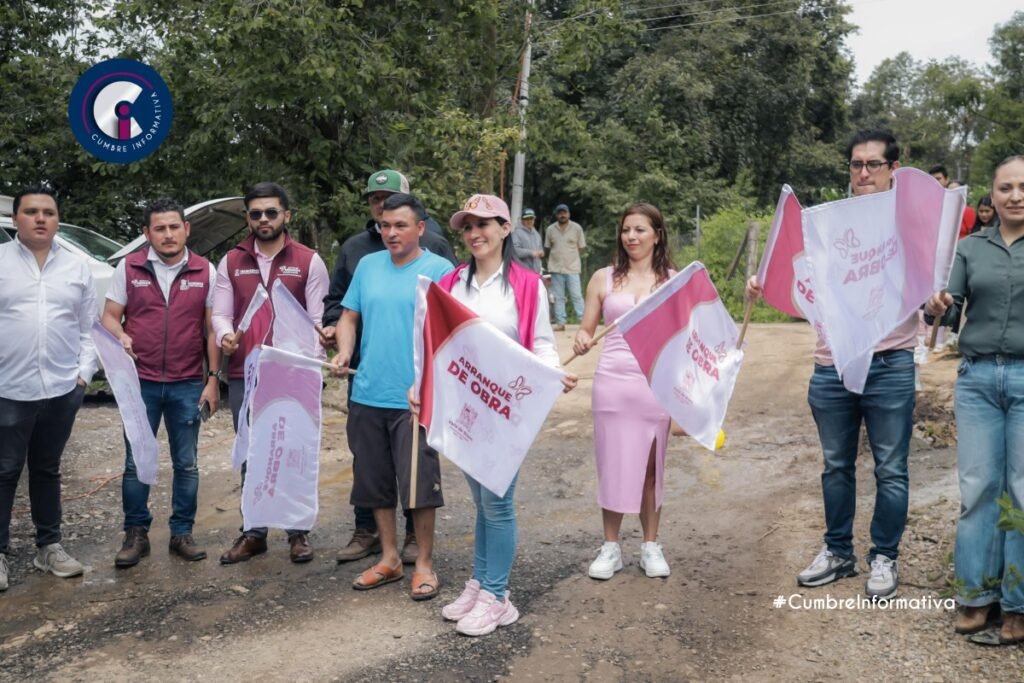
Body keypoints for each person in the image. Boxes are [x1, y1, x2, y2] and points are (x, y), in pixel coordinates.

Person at [747, 130, 917, 599]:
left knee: (891, 468)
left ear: (892, 170)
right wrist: (765, 285)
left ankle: (884, 556)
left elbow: (931, 279)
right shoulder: (827, 225)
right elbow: (798, 273)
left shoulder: (910, 224)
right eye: (856, 164)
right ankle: (838, 552)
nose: (864, 172)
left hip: (891, 363)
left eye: (873, 164)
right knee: (836, 464)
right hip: (832, 365)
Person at [410, 194, 576, 635]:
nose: (474, 233)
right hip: (465, 409)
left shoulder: (526, 284)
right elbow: (429, 341)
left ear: (506, 228)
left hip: (506, 409)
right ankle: (481, 583)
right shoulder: (450, 284)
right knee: (482, 504)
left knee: (498, 503)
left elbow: (541, 342)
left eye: (484, 224)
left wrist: (552, 372)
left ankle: (499, 597)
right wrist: (419, 382)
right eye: (467, 226)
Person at [321, 169, 456, 566]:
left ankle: (425, 563)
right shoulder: (367, 266)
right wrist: (344, 353)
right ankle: (390, 557)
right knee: (375, 482)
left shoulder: (440, 272)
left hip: (414, 395)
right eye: (384, 225)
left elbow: (452, 333)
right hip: (367, 390)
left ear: (420, 227)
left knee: (419, 483)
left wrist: (434, 384)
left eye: (400, 225)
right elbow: (348, 315)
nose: (391, 232)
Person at [924, 155, 1024, 643]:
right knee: (979, 490)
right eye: (1006, 188)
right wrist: (937, 305)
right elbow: (948, 310)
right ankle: (975, 596)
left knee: (1023, 493)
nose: (1015, 196)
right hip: (978, 379)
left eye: (1023, 187)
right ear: (993, 194)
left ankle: (1017, 605)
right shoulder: (969, 248)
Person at [213, 182, 330, 565]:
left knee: (293, 447)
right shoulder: (231, 261)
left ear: (286, 216)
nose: (264, 219)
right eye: (256, 213)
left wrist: (312, 364)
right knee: (252, 450)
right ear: (247, 218)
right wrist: (225, 335)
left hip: (293, 374)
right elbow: (220, 313)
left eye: (271, 212)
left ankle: (298, 532)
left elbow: (316, 320)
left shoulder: (309, 260)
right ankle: (254, 531)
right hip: (246, 372)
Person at [101, 198, 221, 567]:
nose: (168, 235)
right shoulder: (129, 267)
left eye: (174, 227)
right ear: (146, 233)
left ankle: (181, 533)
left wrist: (213, 379)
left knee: (186, 463)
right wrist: (119, 336)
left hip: (187, 383)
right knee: (137, 461)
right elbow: (109, 316)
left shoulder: (205, 271)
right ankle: (136, 534)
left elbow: (211, 329)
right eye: (159, 228)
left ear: (186, 229)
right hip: (140, 383)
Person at [0, 186, 98, 591]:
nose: (41, 218)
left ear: (58, 219)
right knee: (4, 471)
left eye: (49, 212)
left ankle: (49, 546)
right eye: (32, 211)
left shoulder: (77, 268)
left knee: (46, 469)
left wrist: (82, 376)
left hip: (61, 389)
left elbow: (89, 330)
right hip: (7, 388)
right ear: (16, 219)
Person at [571, 203, 676, 580]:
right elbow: (586, 328)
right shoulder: (603, 278)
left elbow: (683, 340)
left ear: (657, 235)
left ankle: (650, 545)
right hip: (612, 383)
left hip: (654, 384)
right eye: (626, 230)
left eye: (640, 230)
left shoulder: (673, 281)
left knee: (650, 469)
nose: (631, 237)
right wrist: (583, 340)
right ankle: (611, 547)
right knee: (613, 465)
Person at [544, 203, 586, 330]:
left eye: (564, 212)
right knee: (558, 297)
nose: (562, 215)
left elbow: (582, 248)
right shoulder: (550, 229)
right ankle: (561, 323)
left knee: (576, 295)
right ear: (556, 215)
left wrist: (570, 257)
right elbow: (547, 248)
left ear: (568, 214)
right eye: (560, 213)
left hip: (572, 268)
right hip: (556, 268)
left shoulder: (577, 228)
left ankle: (583, 322)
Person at [511, 208, 543, 273]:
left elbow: (539, 249)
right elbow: (514, 251)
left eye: (531, 218)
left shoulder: (537, 235)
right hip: (521, 272)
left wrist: (541, 253)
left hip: (535, 272)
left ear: (534, 219)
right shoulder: (516, 233)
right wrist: (530, 252)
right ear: (522, 220)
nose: (529, 221)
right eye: (526, 219)